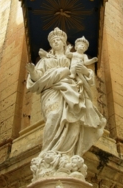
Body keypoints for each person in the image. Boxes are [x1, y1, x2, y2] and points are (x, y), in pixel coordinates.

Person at [26, 27, 106, 158]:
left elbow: (86, 73)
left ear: (64, 42)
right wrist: (32, 72)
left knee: (74, 121)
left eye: (58, 40)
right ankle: (48, 153)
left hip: (71, 89)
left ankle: (67, 154)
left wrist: (85, 71)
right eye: (53, 41)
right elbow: (38, 78)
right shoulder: (45, 60)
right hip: (51, 91)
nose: (56, 42)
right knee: (53, 115)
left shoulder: (71, 57)